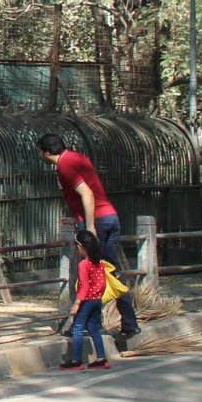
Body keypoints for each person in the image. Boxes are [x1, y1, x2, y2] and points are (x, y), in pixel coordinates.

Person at [38, 133, 140, 337]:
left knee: (89, 274)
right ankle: (129, 323)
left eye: (39, 151)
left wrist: (90, 226)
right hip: (110, 216)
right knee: (112, 272)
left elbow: (87, 193)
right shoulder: (78, 157)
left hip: (97, 221)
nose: (39, 154)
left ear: (46, 153)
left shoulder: (64, 166)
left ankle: (89, 325)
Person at [62, 227, 111, 369]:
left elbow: (84, 286)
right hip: (97, 300)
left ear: (80, 247)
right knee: (93, 328)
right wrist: (98, 296)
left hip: (87, 301)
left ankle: (76, 360)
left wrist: (77, 303)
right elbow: (103, 283)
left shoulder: (83, 264)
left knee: (77, 328)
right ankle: (101, 358)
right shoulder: (100, 263)